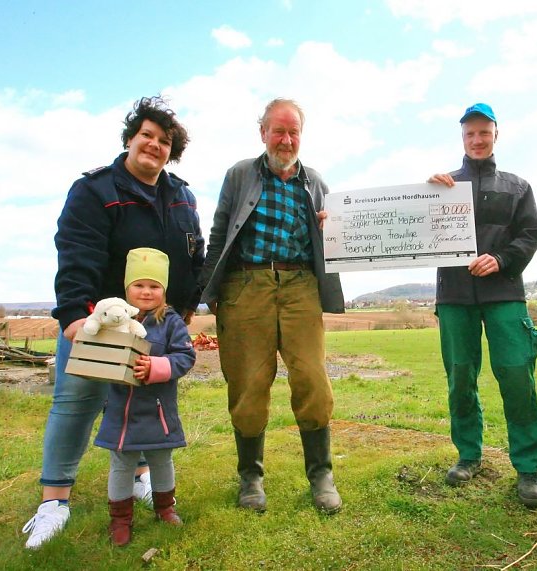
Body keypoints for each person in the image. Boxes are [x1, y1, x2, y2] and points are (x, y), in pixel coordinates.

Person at [22, 96, 204, 549]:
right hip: (97, 323)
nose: (155, 146)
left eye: (164, 141)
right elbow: (77, 250)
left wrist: (184, 308)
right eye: (147, 136)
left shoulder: (182, 195)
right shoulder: (95, 190)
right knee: (77, 402)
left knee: (142, 403)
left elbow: (191, 256)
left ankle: (141, 478)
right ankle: (53, 502)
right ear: (130, 138)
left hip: (156, 330)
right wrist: (72, 315)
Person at [199, 98, 345, 514]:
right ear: (262, 131)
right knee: (248, 383)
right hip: (247, 286)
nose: (286, 139)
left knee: (313, 378)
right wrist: (206, 295)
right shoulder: (239, 175)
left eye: (293, 131)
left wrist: (330, 230)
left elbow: (334, 241)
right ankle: (251, 478)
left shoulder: (315, 181)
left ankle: (321, 474)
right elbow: (219, 234)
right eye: (278, 131)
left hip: (301, 286)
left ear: (302, 135)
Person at [427, 103, 537, 507]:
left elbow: (530, 235)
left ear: (496, 134)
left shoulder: (517, 187)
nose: (477, 140)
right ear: (462, 138)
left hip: (504, 295)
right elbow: (415, 231)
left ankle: (528, 467)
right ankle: (469, 455)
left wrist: (501, 260)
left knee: (516, 375)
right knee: (460, 376)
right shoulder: (443, 184)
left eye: (484, 132)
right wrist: (423, 196)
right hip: (455, 296)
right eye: (469, 134)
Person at [95, 248, 195, 546]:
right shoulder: (112, 321)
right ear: (127, 288)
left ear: (164, 290)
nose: (146, 292)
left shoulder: (172, 322)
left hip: (158, 408)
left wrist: (156, 366)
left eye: (154, 286)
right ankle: (120, 519)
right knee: (122, 463)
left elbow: (185, 356)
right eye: (139, 285)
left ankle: (165, 508)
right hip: (120, 410)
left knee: (161, 460)